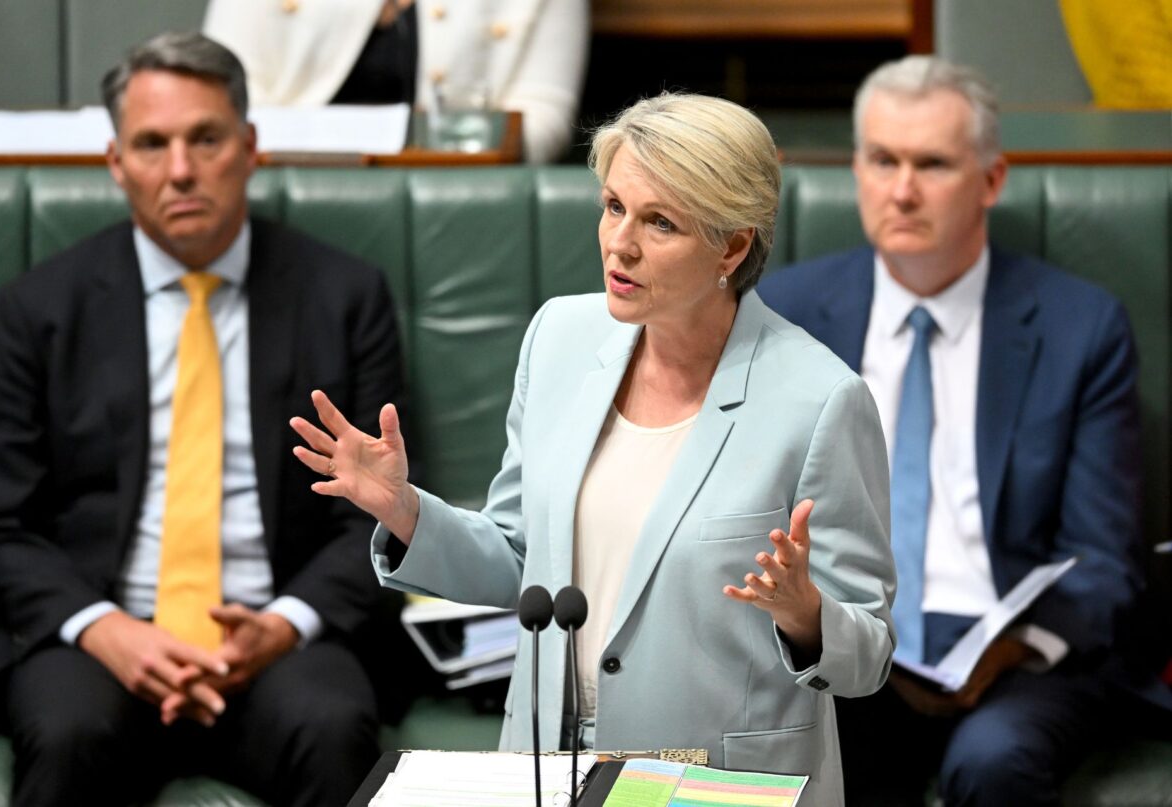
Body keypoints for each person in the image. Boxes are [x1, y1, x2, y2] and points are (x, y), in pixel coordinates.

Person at [290, 92, 896, 806]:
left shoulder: (822, 399)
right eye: (613, 206)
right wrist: (405, 510)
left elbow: (869, 657)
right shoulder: (559, 339)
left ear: (731, 246)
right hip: (546, 768)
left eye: (659, 222)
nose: (620, 243)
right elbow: (521, 560)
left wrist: (805, 612)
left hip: (716, 784)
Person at [0, 31, 407, 807]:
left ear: (249, 145)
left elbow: (380, 515)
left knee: (333, 726)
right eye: (152, 143)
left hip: (279, 634)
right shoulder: (40, 308)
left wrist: (284, 623)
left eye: (205, 138)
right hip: (100, 632)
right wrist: (106, 628)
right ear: (116, 162)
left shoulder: (344, 296)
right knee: (67, 735)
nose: (180, 169)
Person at [758, 55, 1143, 806]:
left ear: (991, 181)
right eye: (882, 160)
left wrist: (1015, 646)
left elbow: (1105, 558)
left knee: (993, 762)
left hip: (1018, 656)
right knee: (824, 745)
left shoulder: (1079, 326)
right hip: (850, 635)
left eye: (931, 164)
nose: (901, 190)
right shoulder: (789, 314)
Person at [203, 0, 589, 164]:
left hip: (456, 203)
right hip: (289, 191)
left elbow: (546, 121)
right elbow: (220, 95)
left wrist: (441, 146)